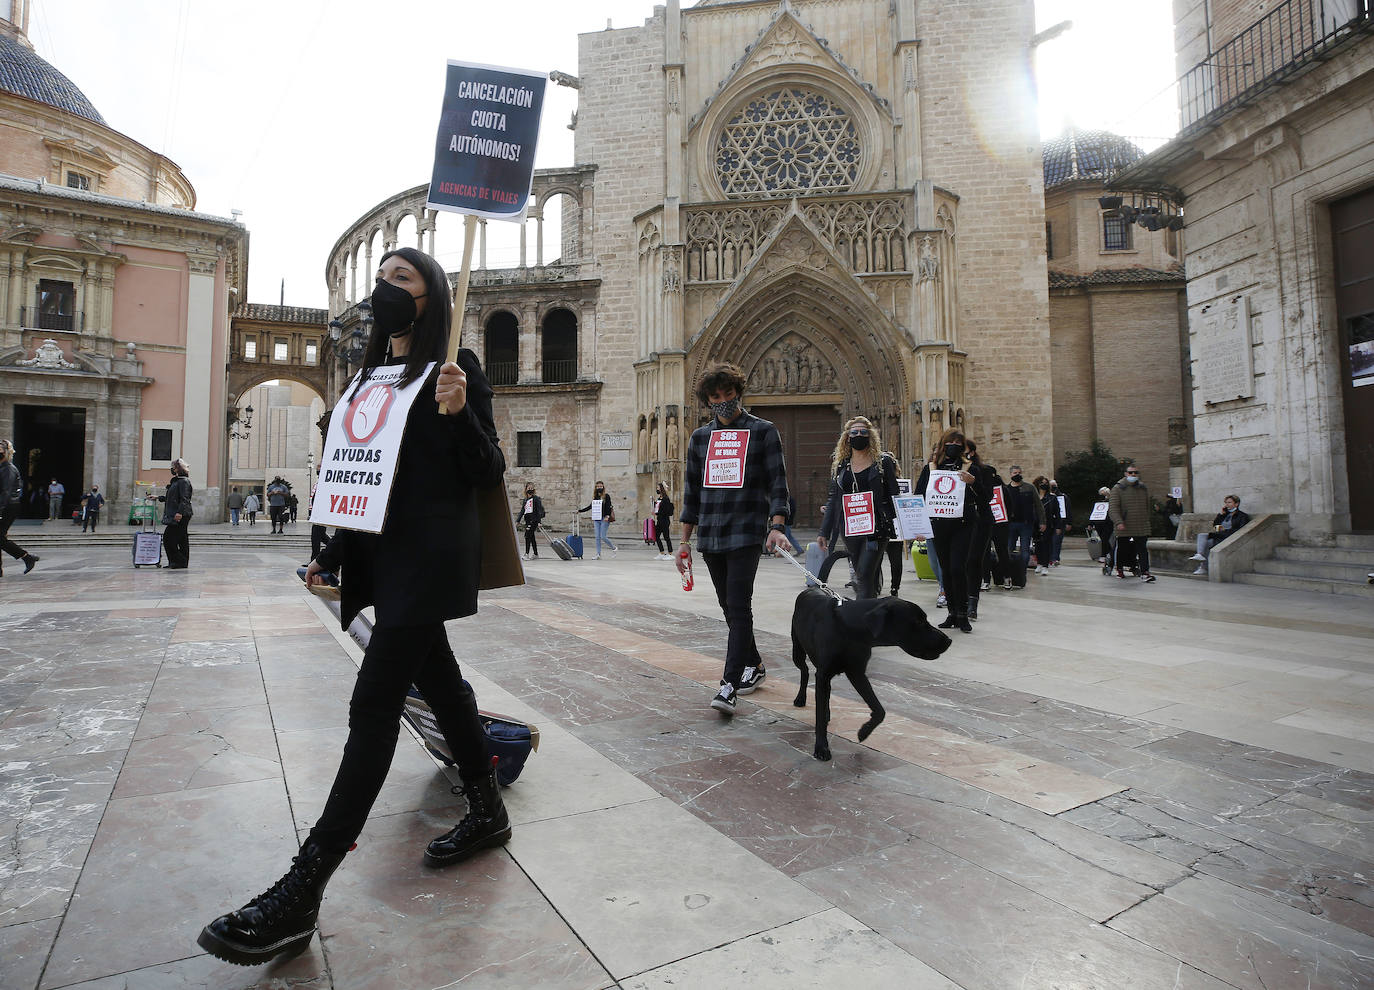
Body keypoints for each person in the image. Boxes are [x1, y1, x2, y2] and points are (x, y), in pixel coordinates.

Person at [198, 246, 508, 967]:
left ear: (431, 296)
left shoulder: (453, 368)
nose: (385, 289)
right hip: (380, 555)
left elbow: (487, 468)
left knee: (373, 705)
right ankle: (487, 810)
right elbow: (356, 477)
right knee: (442, 684)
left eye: (401, 279)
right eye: (382, 278)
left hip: (425, 558)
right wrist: (331, 552)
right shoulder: (371, 376)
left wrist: (462, 414)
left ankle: (304, 887)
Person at [679, 362, 790, 714]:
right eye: (716, 396)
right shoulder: (700, 438)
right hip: (711, 534)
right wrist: (683, 542)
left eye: (728, 394)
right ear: (707, 400)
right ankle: (754, 664)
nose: (723, 400)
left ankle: (728, 685)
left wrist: (777, 525)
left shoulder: (763, 431)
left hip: (745, 532)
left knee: (739, 606)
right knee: (730, 609)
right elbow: (691, 492)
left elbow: (777, 482)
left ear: (738, 392)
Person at [818, 417, 897, 601]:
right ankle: (871, 610)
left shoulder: (882, 462)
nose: (859, 435)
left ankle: (861, 617)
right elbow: (834, 500)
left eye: (863, 432)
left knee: (864, 574)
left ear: (870, 436)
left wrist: (908, 525)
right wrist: (824, 532)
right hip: (851, 527)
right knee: (861, 575)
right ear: (847, 437)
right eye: (854, 432)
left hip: (876, 528)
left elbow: (894, 495)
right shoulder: (841, 466)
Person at [916, 429, 985, 633]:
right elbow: (919, 495)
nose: (953, 445)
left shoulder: (970, 468)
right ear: (943, 443)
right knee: (945, 569)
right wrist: (918, 526)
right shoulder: (932, 468)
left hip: (963, 524)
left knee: (957, 568)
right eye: (950, 441)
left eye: (958, 442)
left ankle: (963, 613)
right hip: (939, 523)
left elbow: (985, 497)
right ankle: (952, 613)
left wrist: (972, 482)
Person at [1108, 464, 1155, 582]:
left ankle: (1145, 572)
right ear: (1125, 474)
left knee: (1142, 549)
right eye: (1130, 472)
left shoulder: (1143, 488)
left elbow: (1147, 506)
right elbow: (1113, 508)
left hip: (1140, 524)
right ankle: (1119, 569)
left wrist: (1147, 519)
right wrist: (1118, 522)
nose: (1133, 475)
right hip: (1125, 525)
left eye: (1135, 472)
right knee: (1122, 548)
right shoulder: (1118, 488)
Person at [0, 440, 39, 576]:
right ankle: (26, 558)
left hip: (8, 506)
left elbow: (6, 491)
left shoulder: (8, 468)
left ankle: (26, 557)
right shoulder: (2, 467)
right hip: (7, 505)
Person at [1190, 494, 1250, 575]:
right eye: (1226, 503)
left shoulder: (1242, 516)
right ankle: (1201, 562)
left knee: (1206, 539)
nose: (1227, 505)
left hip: (1229, 537)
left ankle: (1202, 563)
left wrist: (1225, 531)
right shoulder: (1225, 515)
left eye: (1229, 502)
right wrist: (1221, 515)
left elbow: (1239, 530)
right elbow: (1215, 525)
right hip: (1220, 536)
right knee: (1204, 540)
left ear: (1236, 504)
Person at [1005, 464, 1044, 576]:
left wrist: (1042, 521)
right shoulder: (1006, 489)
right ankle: (1009, 569)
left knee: (1025, 549)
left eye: (1019, 473)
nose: (1017, 475)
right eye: (1015, 473)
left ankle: (1022, 570)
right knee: (1009, 548)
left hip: (1026, 523)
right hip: (1011, 524)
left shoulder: (1030, 488)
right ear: (1010, 474)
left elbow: (1038, 506)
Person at [159, 458, 194, 570]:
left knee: (168, 538)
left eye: (174, 467)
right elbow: (173, 497)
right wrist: (158, 498)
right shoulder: (177, 481)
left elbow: (185, 499)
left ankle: (178, 561)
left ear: (178, 468)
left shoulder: (184, 481)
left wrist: (179, 512)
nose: (172, 469)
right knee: (182, 539)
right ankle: (180, 562)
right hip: (178, 512)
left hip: (181, 514)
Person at [577, 481, 617, 559]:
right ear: (596, 487)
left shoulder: (606, 496)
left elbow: (609, 506)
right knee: (597, 537)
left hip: (604, 518)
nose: (599, 488)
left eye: (601, 486)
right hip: (597, 518)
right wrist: (580, 511)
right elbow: (590, 506)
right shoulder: (595, 497)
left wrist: (607, 516)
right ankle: (598, 554)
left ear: (603, 487)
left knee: (603, 536)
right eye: (598, 486)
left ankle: (614, 548)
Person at [1032, 476, 1060, 576]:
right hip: (1035, 523)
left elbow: (1057, 513)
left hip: (1049, 523)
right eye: (1041, 483)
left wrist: (1058, 526)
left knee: (1046, 544)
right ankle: (1039, 563)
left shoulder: (1052, 497)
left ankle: (1045, 565)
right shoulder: (1033, 497)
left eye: (1045, 483)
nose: (1044, 485)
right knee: (1037, 544)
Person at [516, 483, 545, 559]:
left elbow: (539, 510)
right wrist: (518, 520)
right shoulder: (525, 500)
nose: (530, 490)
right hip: (528, 520)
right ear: (526, 489)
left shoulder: (536, 498)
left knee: (527, 536)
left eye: (532, 488)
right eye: (529, 488)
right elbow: (522, 510)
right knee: (531, 537)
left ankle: (527, 554)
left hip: (534, 520)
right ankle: (535, 554)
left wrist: (539, 522)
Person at [1048, 479, 1070, 566]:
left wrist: (1069, 522)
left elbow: (1068, 509)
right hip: (1050, 522)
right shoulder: (1047, 497)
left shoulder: (1064, 497)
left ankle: (1055, 558)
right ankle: (1050, 558)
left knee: (1057, 541)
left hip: (1061, 522)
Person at [653, 482, 675, 559]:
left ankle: (670, 553)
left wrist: (659, 511)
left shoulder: (666, 499)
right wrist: (654, 504)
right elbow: (657, 508)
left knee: (666, 537)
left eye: (658, 487)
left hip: (665, 520)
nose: (657, 489)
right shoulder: (659, 498)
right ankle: (662, 552)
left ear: (661, 489)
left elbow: (666, 510)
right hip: (659, 520)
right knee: (656, 536)